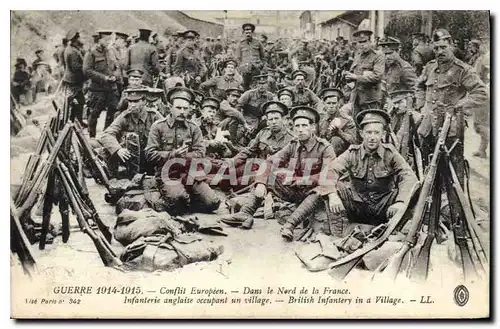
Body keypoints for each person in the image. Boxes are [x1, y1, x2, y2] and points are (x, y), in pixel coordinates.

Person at [324, 109, 418, 237]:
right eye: (368, 132)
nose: (372, 137)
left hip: (383, 208)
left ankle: (396, 231)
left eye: (376, 133)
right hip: (358, 207)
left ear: (383, 134)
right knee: (334, 188)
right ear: (362, 133)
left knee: (413, 191)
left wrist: (400, 202)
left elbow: (408, 176)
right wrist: (332, 195)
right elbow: (331, 170)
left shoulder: (390, 153)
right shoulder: (353, 153)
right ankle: (339, 235)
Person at [246, 106, 337, 238]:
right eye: (297, 126)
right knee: (269, 176)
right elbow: (270, 162)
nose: (300, 130)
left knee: (319, 191)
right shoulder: (293, 144)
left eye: (304, 125)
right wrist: (260, 182)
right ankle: (245, 213)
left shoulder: (325, 147)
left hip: (314, 194)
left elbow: (329, 175)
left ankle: (290, 225)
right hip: (296, 190)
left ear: (313, 127)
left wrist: (304, 180)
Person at [145, 87, 220, 215]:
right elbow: (150, 154)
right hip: (168, 174)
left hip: (191, 174)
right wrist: (173, 154)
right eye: (178, 108)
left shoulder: (193, 128)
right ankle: (168, 195)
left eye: (185, 108)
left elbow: (201, 153)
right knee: (178, 201)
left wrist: (185, 156)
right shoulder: (158, 126)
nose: (182, 112)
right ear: (170, 107)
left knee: (213, 203)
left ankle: (187, 198)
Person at [100, 88, 163, 177]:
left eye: (136, 101)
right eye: (130, 101)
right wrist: (118, 149)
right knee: (108, 149)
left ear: (144, 101)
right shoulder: (125, 116)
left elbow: (166, 132)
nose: (132, 105)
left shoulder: (154, 116)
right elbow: (107, 134)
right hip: (131, 158)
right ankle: (113, 178)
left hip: (149, 157)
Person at [83, 31, 121, 137]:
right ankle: (92, 137)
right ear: (99, 40)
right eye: (106, 39)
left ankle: (107, 135)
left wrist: (115, 76)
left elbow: (117, 67)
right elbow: (87, 70)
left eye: (110, 39)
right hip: (97, 89)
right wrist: (104, 78)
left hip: (111, 89)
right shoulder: (91, 53)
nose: (109, 42)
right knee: (94, 113)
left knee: (113, 111)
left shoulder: (110, 52)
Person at [345, 29, 385, 119]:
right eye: (359, 42)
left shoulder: (378, 55)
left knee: (371, 122)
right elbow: (354, 71)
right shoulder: (358, 55)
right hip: (356, 97)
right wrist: (349, 76)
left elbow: (377, 76)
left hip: (370, 98)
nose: (362, 44)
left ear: (370, 41)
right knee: (355, 122)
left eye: (365, 41)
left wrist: (356, 77)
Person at [318, 88, 356, 155]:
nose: (331, 106)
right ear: (324, 104)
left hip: (341, 153)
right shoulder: (320, 118)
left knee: (336, 140)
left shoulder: (347, 119)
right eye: (329, 103)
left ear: (338, 104)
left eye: (334, 103)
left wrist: (340, 133)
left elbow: (353, 140)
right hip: (322, 150)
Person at [237, 73, 276, 139]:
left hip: (262, 121)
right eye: (260, 84)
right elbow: (238, 106)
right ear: (256, 84)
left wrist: (266, 116)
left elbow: (274, 110)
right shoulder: (249, 94)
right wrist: (242, 120)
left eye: (264, 84)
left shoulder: (271, 96)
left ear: (267, 85)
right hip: (248, 119)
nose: (261, 86)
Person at [387, 89, 422, 163]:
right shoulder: (391, 115)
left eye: (400, 102)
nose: (396, 106)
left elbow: (417, 142)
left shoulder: (417, 118)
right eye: (395, 103)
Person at [62, 29, 86, 125]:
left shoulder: (72, 49)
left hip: (72, 80)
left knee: (76, 101)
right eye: (79, 37)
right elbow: (75, 67)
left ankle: (75, 121)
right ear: (76, 39)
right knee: (78, 101)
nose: (81, 39)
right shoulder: (72, 51)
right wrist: (86, 68)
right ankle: (74, 122)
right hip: (73, 81)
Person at [235, 23, 265, 90]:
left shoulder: (258, 43)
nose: (248, 33)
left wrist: (260, 65)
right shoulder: (241, 44)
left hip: (256, 69)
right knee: (245, 88)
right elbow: (238, 58)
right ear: (244, 33)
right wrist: (242, 67)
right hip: (245, 71)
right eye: (246, 31)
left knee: (257, 87)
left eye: (249, 31)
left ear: (252, 32)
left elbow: (263, 57)